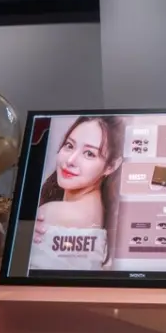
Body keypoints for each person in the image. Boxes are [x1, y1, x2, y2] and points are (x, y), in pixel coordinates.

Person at [29, 116, 124, 271]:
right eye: (69, 145)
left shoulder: (52, 213)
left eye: (89, 154)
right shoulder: (103, 210)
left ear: (111, 166)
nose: (70, 160)